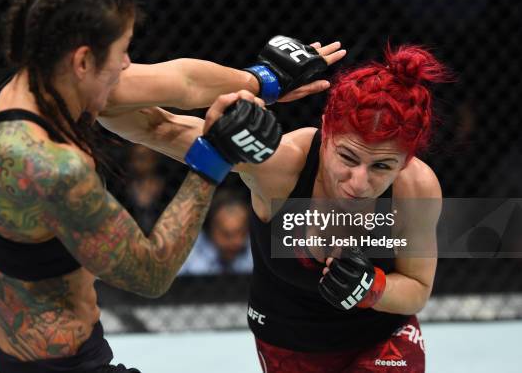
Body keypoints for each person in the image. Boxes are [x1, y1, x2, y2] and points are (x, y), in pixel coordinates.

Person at [0, 0, 344, 373]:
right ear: (83, 60)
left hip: (25, 352)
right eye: (123, 51)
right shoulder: (48, 165)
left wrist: (263, 81)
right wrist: (212, 160)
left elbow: (182, 83)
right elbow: (150, 272)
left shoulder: (41, 85)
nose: (128, 64)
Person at [100, 43, 449, 372]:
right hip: (288, 341)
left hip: (382, 340)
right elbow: (121, 109)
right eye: (347, 157)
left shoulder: (416, 189)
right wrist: (256, 80)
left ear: (406, 161)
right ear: (325, 129)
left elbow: (417, 288)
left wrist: (373, 289)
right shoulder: (279, 167)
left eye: (382, 167)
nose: (359, 182)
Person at [179, 191, 253, 275]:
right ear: (209, 231)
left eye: (242, 233)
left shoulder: (255, 248)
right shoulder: (188, 255)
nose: (236, 242)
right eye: (227, 235)